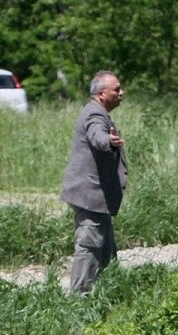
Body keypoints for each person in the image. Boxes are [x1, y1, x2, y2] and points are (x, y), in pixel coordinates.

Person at [60, 70, 127, 295]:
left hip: (96, 197)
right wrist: (109, 141)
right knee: (89, 247)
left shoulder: (98, 112)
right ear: (100, 94)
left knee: (106, 252)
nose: (121, 93)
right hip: (90, 195)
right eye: (116, 90)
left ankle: (108, 299)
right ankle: (78, 301)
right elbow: (97, 136)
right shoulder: (94, 115)